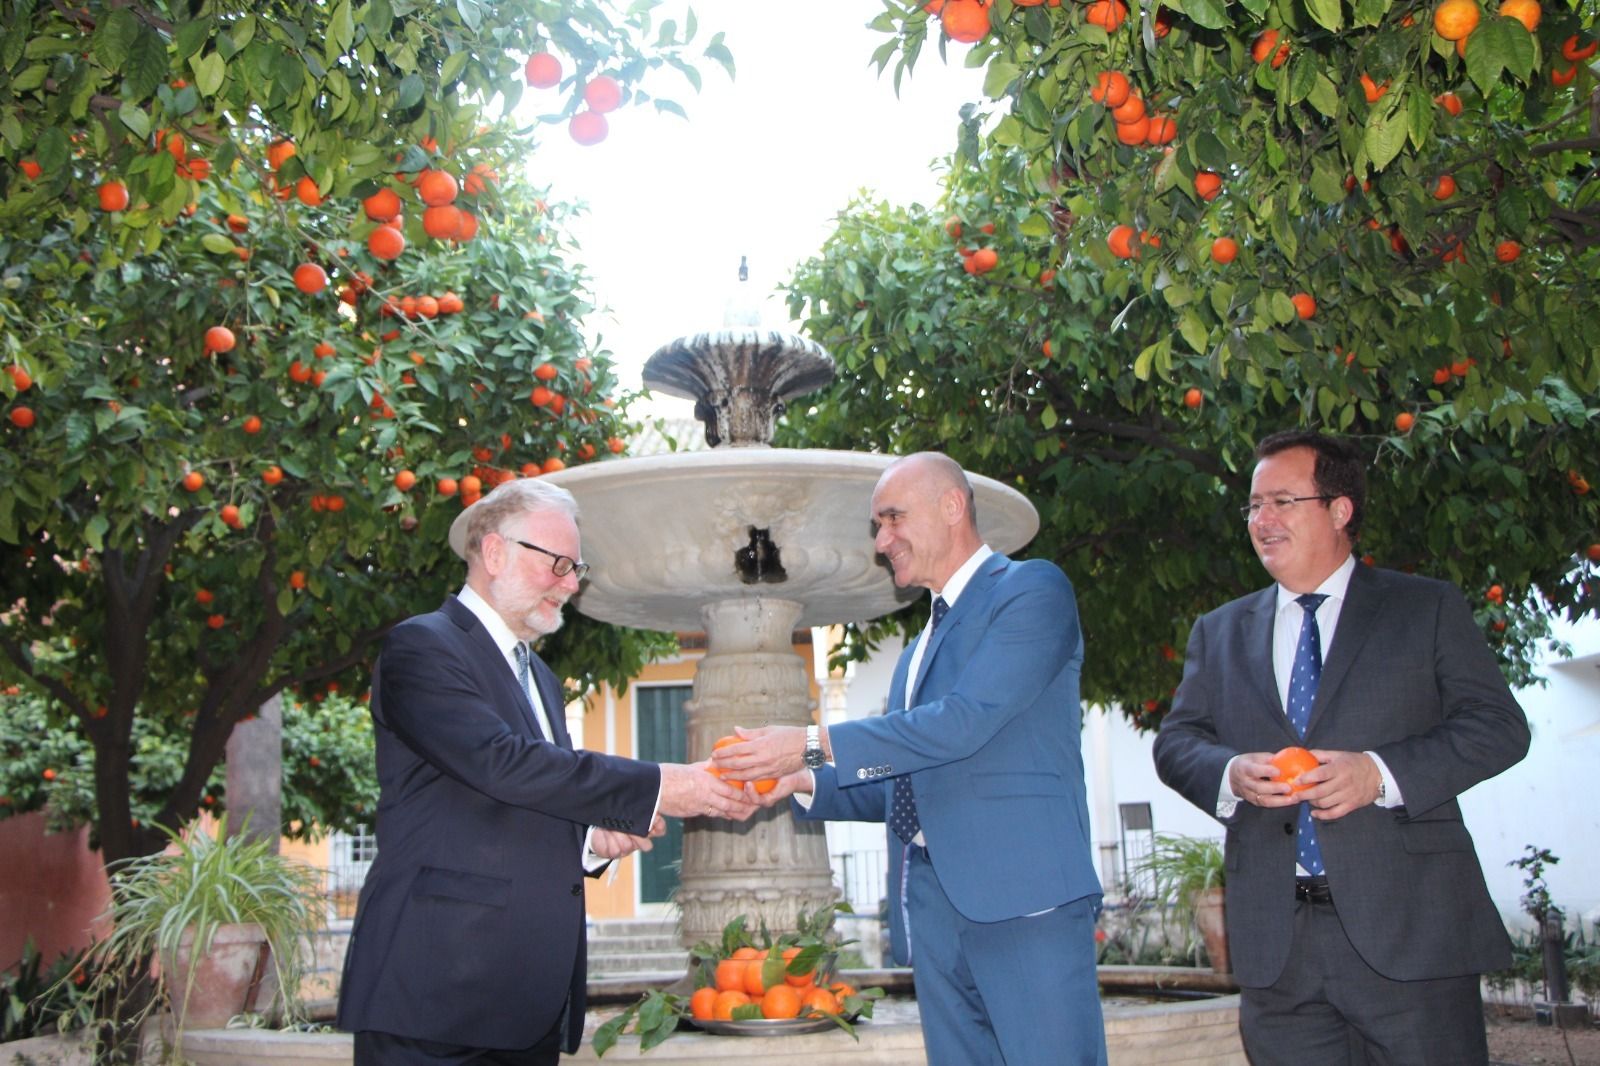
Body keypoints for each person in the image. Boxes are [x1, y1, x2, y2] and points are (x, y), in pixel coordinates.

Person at [336, 477, 756, 1066]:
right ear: (494, 552)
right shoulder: (422, 646)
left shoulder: (541, 678)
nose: (570, 583)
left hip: (526, 1004)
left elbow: (521, 798)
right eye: (558, 563)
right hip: (433, 995)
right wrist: (665, 783)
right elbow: (502, 763)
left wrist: (589, 841)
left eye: (576, 567)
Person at [712, 452, 1108, 1066]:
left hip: (1024, 905)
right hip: (934, 914)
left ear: (952, 507)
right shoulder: (919, 647)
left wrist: (810, 740)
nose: (881, 539)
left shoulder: (1032, 589)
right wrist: (801, 781)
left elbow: (964, 724)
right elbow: (905, 783)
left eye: (893, 518)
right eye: (877, 525)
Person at [1153, 429, 1530, 1065]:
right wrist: (1230, 773)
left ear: (1340, 508)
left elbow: (1498, 726)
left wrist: (1379, 775)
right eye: (1253, 506)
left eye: (1281, 502)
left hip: (1411, 936)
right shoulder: (1218, 632)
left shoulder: (1425, 607)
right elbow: (1177, 742)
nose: (1261, 520)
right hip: (1278, 948)